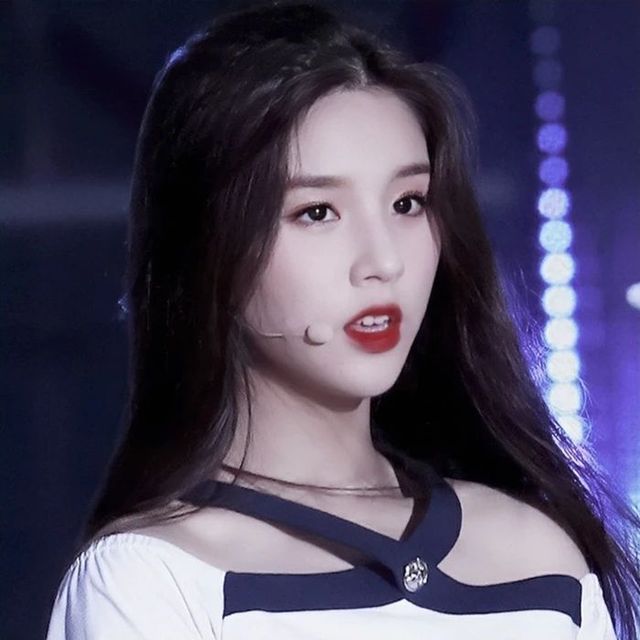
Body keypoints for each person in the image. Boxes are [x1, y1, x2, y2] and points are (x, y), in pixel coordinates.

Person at [45, 1, 640, 638]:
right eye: (317, 212)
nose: (383, 261)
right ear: (208, 249)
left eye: (408, 203)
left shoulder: (539, 551)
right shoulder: (154, 578)